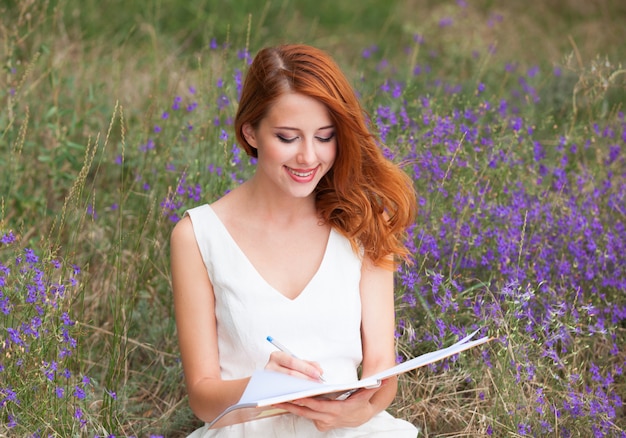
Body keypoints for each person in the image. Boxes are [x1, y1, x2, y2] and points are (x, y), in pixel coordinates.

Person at [170, 44, 419, 437]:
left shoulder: (364, 221)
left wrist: (358, 412)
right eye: (287, 137)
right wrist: (265, 390)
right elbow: (203, 399)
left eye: (324, 137)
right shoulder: (197, 236)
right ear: (250, 132)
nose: (308, 157)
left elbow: (381, 371)